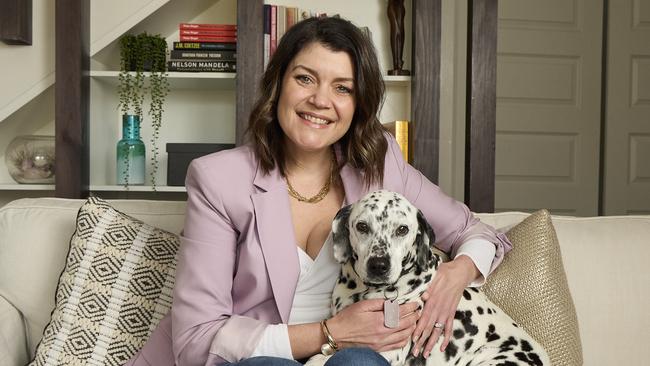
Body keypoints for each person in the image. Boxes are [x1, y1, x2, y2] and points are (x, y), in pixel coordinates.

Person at [126, 16, 512, 366]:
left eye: (342, 88)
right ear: (278, 84)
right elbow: (197, 341)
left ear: (358, 103)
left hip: (349, 361)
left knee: (360, 364)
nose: (320, 101)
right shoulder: (218, 180)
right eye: (305, 78)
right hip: (257, 360)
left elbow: (476, 233)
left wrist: (454, 276)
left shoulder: (382, 164)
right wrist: (330, 333)